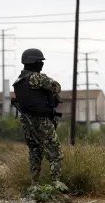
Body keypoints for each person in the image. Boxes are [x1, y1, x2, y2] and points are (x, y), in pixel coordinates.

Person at [12, 48, 66, 190]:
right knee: (55, 152)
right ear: (33, 62)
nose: (41, 64)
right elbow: (57, 87)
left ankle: (35, 184)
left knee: (35, 152)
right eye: (40, 61)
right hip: (42, 121)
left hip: (27, 122)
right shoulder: (36, 78)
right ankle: (55, 182)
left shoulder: (19, 80)